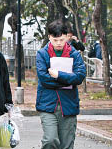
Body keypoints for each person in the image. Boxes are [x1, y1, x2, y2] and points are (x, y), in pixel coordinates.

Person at [36, 20, 86, 149]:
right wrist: (69, 80)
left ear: (67, 37)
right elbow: (44, 79)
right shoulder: (42, 54)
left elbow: (79, 77)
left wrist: (59, 75)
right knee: (50, 140)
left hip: (68, 104)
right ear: (49, 37)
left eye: (62, 40)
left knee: (67, 144)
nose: (59, 43)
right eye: (55, 40)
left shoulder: (74, 54)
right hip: (47, 103)